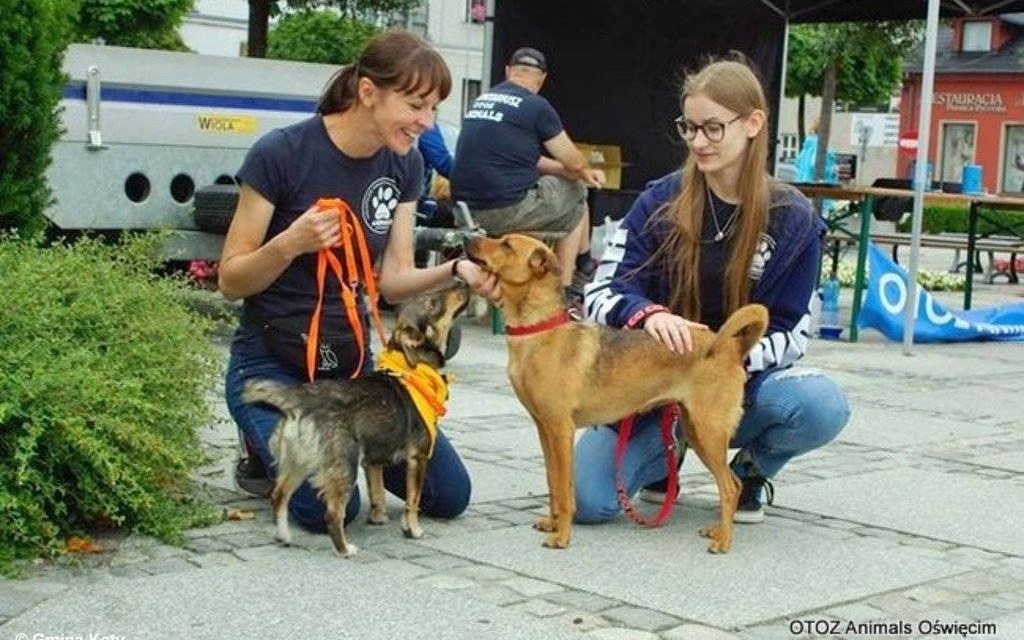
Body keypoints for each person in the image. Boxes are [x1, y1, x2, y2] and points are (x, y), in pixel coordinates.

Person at [218, 31, 499, 532]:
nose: (426, 123)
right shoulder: (280, 153)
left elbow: (392, 281)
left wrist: (457, 270)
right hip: (272, 365)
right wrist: (290, 243)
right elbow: (230, 280)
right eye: (415, 105)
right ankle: (260, 450)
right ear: (368, 92)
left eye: (433, 108)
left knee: (449, 495)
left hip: (348, 373)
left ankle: (298, 446)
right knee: (333, 509)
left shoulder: (405, 163)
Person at [576, 57, 850, 525]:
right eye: (689, 127)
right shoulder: (658, 201)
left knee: (821, 405)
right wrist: (647, 315)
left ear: (753, 124)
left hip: (735, 383)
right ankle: (667, 455)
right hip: (647, 385)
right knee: (589, 501)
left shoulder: (795, 219)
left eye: (713, 128)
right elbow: (600, 290)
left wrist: (717, 357)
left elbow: (792, 334)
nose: (698, 142)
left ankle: (749, 472)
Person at [450, 46, 605, 307]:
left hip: (462, 210)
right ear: (541, 79)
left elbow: (532, 160)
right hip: (504, 210)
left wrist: (572, 171)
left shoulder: (483, 100)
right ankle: (570, 286)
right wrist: (585, 172)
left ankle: (582, 266)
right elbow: (573, 160)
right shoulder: (536, 106)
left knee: (571, 187)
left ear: (508, 72)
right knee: (577, 194)